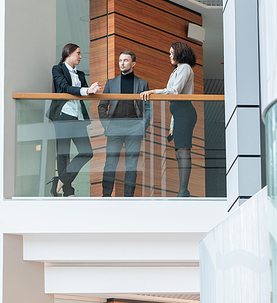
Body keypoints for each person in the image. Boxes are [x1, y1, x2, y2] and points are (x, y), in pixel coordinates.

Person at [140, 41, 197, 197]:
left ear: (179, 52)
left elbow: (174, 92)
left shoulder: (185, 67)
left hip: (185, 113)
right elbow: (174, 101)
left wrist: (153, 92)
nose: (169, 56)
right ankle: (182, 190)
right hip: (179, 115)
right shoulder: (176, 71)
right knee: (179, 152)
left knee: (183, 151)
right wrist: (172, 124)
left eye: (171, 53)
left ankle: (183, 191)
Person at [47, 43, 101, 197]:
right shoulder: (57, 69)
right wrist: (86, 90)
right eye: (78, 53)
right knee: (63, 154)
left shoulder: (80, 74)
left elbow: (84, 92)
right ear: (68, 53)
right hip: (63, 115)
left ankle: (59, 181)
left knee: (87, 152)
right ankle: (68, 191)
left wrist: (92, 89)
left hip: (78, 117)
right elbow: (64, 87)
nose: (80, 56)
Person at [98, 50, 151, 197]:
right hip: (115, 126)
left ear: (133, 63)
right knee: (110, 163)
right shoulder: (111, 83)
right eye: (120, 60)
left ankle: (129, 197)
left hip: (134, 126)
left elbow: (148, 108)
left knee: (132, 165)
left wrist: (142, 126)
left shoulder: (142, 83)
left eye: (126, 60)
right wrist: (107, 125)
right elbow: (102, 106)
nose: (122, 63)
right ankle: (106, 196)